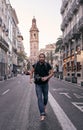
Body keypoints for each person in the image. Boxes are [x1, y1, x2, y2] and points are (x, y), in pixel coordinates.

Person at [30, 53, 53, 121]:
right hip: (38, 84)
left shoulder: (47, 65)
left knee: (45, 98)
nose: (41, 58)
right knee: (39, 98)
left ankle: (44, 106)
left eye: (43, 57)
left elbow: (52, 73)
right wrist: (30, 79)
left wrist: (47, 77)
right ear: (39, 58)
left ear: (44, 58)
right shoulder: (35, 65)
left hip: (45, 84)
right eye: (40, 57)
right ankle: (42, 113)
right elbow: (31, 72)